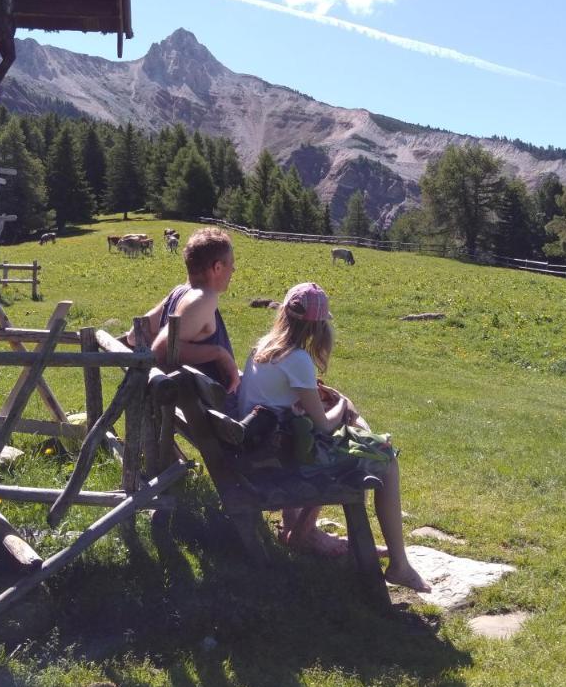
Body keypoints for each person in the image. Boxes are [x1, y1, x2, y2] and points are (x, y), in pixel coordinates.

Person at [235, 282, 431, 592]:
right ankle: (399, 565)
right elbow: (325, 426)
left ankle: (300, 529)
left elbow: (282, 400)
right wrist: (342, 403)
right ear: (318, 324)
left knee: (353, 441)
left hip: (258, 450)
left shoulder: (262, 347)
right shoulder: (297, 358)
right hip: (281, 462)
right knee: (385, 458)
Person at [126, 227, 240, 394]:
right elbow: (162, 350)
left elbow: (134, 335)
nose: (233, 270)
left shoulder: (179, 292)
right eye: (231, 264)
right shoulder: (203, 298)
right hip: (209, 410)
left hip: (182, 406)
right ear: (217, 267)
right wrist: (219, 353)